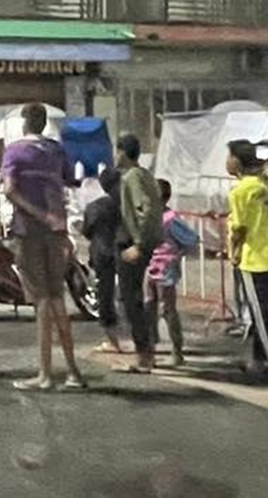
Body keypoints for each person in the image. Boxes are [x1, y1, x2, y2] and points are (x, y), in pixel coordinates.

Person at [2, 103, 85, 391]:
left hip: (29, 232)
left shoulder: (14, 151)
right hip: (57, 232)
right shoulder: (55, 150)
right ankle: (73, 372)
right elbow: (71, 180)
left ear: (24, 124)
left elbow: (9, 189)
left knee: (41, 302)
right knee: (57, 297)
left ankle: (45, 374)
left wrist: (38, 214)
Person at [227, 140, 268, 377]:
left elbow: (239, 229)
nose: (226, 162)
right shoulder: (266, 185)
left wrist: (233, 252)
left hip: (254, 259)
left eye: (228, 156)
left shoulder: (241, 191)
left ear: (237, 160)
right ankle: (259, 360)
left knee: (261, 317)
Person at [113, 134, 163, 374]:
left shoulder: (132, 177)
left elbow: (147, 209)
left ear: (122, 152)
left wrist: (140, 244)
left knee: (131, 300)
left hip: (133, 244)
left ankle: (144, 355)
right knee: (135, 299)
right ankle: (146, 350)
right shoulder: (145, 175)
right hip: (139, 242)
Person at [145, 179, 198, 367]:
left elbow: (192, 240)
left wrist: (176, 257)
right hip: (148, 267)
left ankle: (177, 350)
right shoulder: (147, 216)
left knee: (167, 309)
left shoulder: (170, 219)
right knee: (148, 308)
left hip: (165, 270)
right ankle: (149, 349)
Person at [83, 167, 122, 353]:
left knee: (105, 296)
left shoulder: (94, 207)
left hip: (101, 254)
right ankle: (142, 339)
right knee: (132, 295)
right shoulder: (126, 206)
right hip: (124, 252)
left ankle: (113, 340)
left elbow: (87, 231)